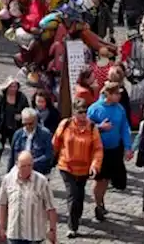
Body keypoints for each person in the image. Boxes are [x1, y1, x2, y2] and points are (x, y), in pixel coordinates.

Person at [52, 98, 103, 238]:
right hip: (66, 166)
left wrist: (94, 165)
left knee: (79, 196)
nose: (83, 115)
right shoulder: (65, 124)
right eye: (80, 112)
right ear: (74, 112)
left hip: (84, 168)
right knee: (73, 195)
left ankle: (77, 216)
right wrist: (52, 158)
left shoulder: (92, 127)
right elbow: (55, 142)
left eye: (85, 112)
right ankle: (72, 227)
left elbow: (98, 149)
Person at [86, 82, 133, 218]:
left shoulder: (120, 108)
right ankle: (97, 204)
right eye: (117, 93)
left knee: (106, 179)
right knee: (99, 179)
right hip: (99, 151)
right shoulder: (94, 109)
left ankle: (101, 201)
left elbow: (124, 128)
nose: (119, 96)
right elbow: (87, 128)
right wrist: (100, 127)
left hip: (115, 149)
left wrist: (127, 147)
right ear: (108, 94)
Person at [0, 151, 59, 244]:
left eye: (29, 165)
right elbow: (2, 204)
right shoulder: (8, 179)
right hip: (14, 234)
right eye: (23, 166)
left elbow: (51, 208)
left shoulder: (41, 181)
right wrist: (1, 227)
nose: (27, 169)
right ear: (17, 164)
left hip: (34, 236)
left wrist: (52, 230)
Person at [8, 107, 54, 175]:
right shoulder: (17, 134)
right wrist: (9, 173)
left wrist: (30, 163)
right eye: (24, 124)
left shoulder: (45, 134)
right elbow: (11, 157)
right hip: (19, 172)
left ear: (36, 121)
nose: (27, 126)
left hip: (39, 172)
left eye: (30, 124)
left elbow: (48, 155)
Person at [0, 78, 30, 158]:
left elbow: (27, 111)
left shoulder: (22, 98)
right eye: (11, 86)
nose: (13, 89)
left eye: (15, 86)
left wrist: (21, 116)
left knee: (16, 150)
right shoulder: (0, 98)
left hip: (16, 128)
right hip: (1, 128)